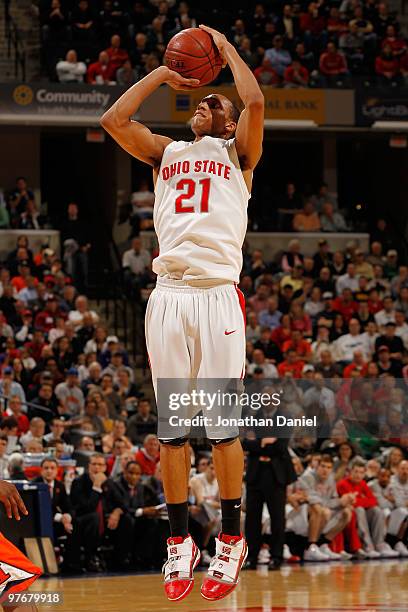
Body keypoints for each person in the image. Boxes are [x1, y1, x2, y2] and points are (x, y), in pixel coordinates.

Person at [101, 23, 264, 602]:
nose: (206, 103)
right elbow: (113, 123)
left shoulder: (238, 155)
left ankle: (231, 538)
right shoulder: (165, 152)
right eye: (198, 100)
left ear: (226, 122)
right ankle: (178, 543)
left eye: (213, 102)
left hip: (217, 294)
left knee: (220, 430)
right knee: (172, 431)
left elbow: (254, 99)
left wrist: (224, 50)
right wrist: (163, 74)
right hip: (168, 296)